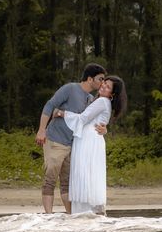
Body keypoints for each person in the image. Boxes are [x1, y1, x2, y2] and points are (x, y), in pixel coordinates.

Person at [35, 63, 107, 214]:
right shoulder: (70, 88)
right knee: (50, 179)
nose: (102, 82)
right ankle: (48, 216)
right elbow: (50, 105)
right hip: (55, 140)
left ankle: (70, 216)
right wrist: (41, 130)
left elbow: (88, 120)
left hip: (72, 145)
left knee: (67, 183)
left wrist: (104, 128)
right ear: (89, 78)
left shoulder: (90, 98)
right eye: (100, 79)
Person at [51, 75, 127, 216]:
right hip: (92, 140)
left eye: (108, 87)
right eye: (104, 83)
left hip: (88, 142)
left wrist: (61, 113)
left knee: (84, 172)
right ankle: (91, 210)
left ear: (112, 94)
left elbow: (82, 119)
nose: (103, 86)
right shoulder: (100, 101)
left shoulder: (102, 101)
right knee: (89, 174)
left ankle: (84, 212)